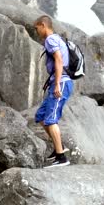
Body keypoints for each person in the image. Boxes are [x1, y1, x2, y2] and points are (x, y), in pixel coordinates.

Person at [34, 15, 73, 167]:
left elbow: (59, 60)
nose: (36, 31)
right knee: (41, 116)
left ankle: (62, 158)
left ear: (43, 25)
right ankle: (60, 147)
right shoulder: (57, 38)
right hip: (59, 82)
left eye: (37, 28)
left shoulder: (50, 40)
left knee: (50, 119)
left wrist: (56, 84)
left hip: (60, 83)